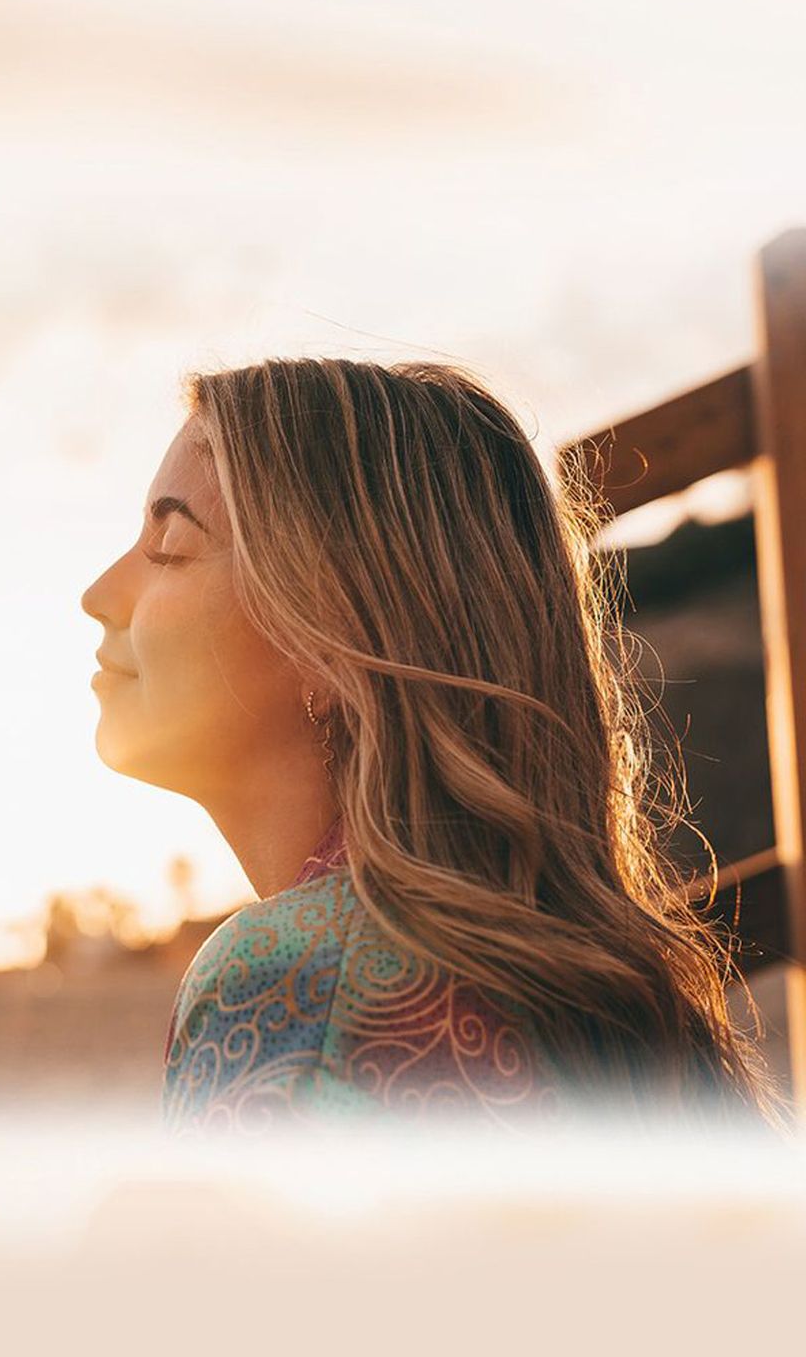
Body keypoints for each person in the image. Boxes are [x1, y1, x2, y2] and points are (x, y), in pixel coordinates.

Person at [78, 357, 793, 1138]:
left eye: (171, 546)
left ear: (330, 638)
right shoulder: (638, 1000)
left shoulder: (297, 982)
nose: (98, 594)